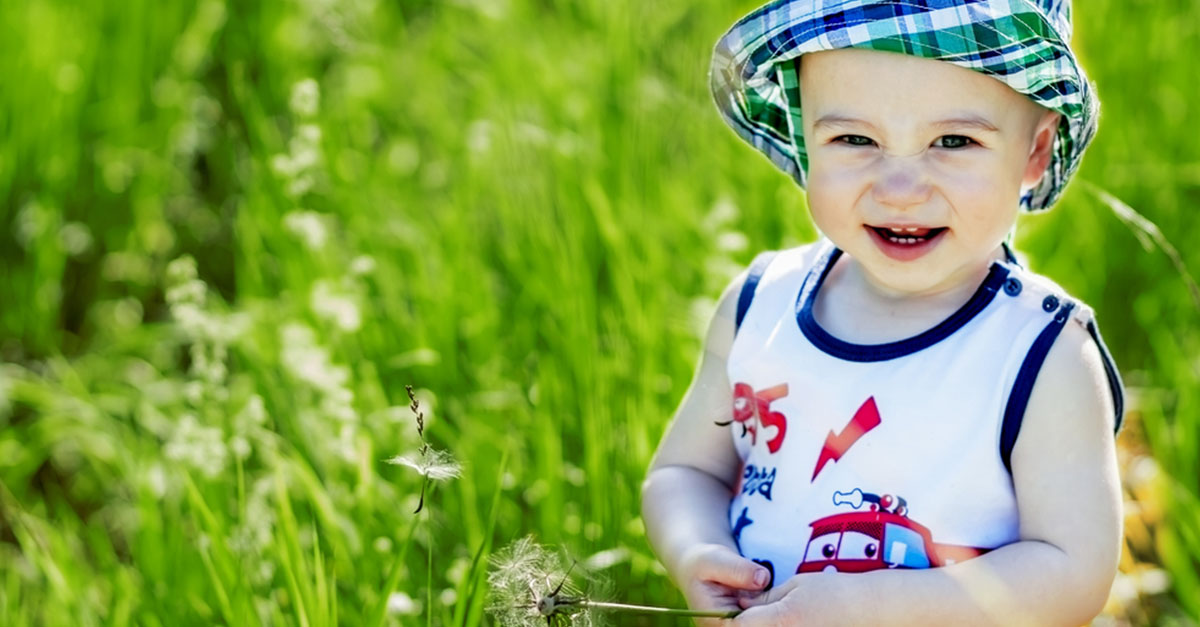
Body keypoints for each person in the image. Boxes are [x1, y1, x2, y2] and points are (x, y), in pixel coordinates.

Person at [641, 1, 1126, 624]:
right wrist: (697, 549)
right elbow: (685, 471)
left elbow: (1072, 570)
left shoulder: (1041, 352)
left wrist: (866, 605)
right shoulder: (761, 305)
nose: (900, 188)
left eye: (954, 141)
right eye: (854, 139)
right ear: (804, 137)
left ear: (1035, 154)